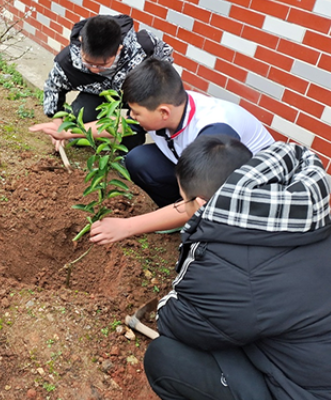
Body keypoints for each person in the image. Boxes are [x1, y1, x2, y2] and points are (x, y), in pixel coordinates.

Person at [143, 135, 331, 400]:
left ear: (200, 204)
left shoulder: (232, 267)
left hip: (303, 391)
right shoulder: (305, 219)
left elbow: (177, 322)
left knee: (165, 358)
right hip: (311, 362)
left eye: (183, 201)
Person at [89, 58, 274, 242]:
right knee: (139, 160)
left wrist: (127, 227)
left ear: (163, 113)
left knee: (206, 212)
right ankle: (177, 215)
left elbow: (205, 197)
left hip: (246, 196)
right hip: (201, 176)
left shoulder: (213, 136)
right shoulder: (174, 105)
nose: (132, 116)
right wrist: (69, 130)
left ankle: (197, 223)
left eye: (136, 113)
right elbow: (121, 126)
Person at [29, 14, 173, 151]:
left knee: (135, 127)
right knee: (79, 129)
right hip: (99, 93)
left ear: (118, 50)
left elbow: (164, 75)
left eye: (102, 65)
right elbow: (53, 88)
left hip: (136, 95)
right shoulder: (67, 61)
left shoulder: (143, 52)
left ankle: (128, 152)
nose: (95, 70)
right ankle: (89, 128)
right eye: (88, 63)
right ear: (81, 42)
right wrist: (57, 121)